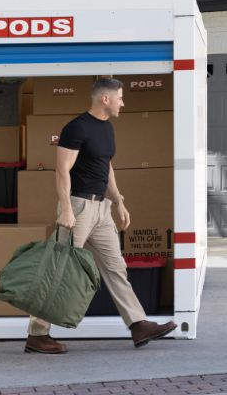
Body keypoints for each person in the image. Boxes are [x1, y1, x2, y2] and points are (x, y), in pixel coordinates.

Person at [25, 77, 177, 354]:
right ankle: (37, 334)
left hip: (102, 210)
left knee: (116, 267)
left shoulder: (106, 127)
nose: (123, 103)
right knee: (59, 269)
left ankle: (138, 324)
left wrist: (118, 201)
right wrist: (66, 209)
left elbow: (106, 166)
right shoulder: (76, 128)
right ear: (105, 99)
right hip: (78, 208)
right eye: (120, 97)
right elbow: (62, 170)